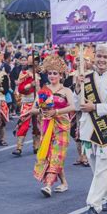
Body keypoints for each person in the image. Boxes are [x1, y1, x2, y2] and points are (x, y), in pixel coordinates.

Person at [74, 44, 107, 214]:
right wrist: (78, 89)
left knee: (102, 168)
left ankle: (94, 205)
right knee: (96, 168)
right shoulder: (85, 78)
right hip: (88, 129)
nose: (102, 60)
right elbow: (76, 106)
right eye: (99, 56)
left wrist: (94, 107)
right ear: (94, 58)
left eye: (105, 57)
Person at [32, 54, 74, 197]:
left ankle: (48, 185)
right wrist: (42, 110)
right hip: (46, 126)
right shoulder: (43, 91)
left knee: (56, 154)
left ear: (61, 75)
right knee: (51, 155)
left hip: (62, 127)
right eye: (50, 73)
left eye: (55, 73)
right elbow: (33, 109)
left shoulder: (66, 91)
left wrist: (56, 111)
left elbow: (73, 107)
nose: (52, 76)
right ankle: (64, 183)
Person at [13, 53, 42, 156]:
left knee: (37, 126)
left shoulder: (38, 74)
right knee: (24, 124)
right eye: (35, 61)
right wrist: (30, 85)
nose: (37, 63)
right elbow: (21, 89)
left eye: (38, 61)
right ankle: (19, 147)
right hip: (27, 102)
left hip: (37, 102)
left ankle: (36, 146)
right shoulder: (24, 73)